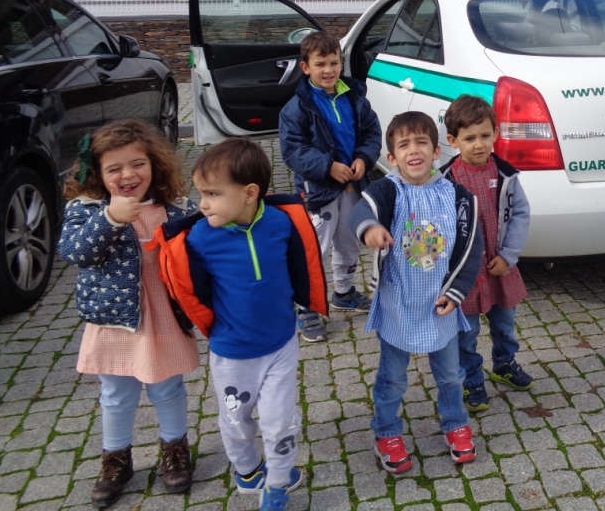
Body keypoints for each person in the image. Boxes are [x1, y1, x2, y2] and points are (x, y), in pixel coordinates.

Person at [157, 138, 327, 511]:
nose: (202, 204)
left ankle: (278, 483)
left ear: (250, 193)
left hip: (281, 345)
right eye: (201, 193)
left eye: (212, 194)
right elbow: (192, 288)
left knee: (280, 420)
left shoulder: (280, 223)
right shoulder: (200, 238)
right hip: (231, 352)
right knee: (236, 419)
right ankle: (247, 470)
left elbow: (298, 265)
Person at [57, 119, 198, 508]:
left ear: (154, 164)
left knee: (168, 388)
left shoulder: (174, 207)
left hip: (164, 316)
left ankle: (175, 448)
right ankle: (115, 460)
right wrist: (111, 219)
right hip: (115, 321)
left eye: (138, 164)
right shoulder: (87, 210)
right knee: (117, 394)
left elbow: (201, 249)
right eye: (114, 169)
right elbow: (74, 252)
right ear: (98, 174)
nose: (128, 175)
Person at [350, 111, 483, 474]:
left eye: (422, 142)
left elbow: (471, 249)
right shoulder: (387, 190)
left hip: (441, 304)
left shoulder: (457, 196)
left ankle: (455, 423)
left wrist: (457, 292)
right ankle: (386, 432)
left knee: (451, 375)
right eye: (404, 144)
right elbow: (359, 212)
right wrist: (369, 228)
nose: (414, 150)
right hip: (400, 304)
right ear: (391, 157)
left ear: (436, 151)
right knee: (392, 377)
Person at [279, 31, 382, 342]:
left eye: (334, 63)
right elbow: (293, 150)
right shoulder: (296, 109)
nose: (328, 70)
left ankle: (344, 292)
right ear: (305, 67)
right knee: (315, 247)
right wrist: (327, 167)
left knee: (349, 240)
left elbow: (371, 132)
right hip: (318, 192)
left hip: (352, 186)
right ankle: (306, 306)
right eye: (320, 64)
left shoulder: (354, 97)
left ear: (341, 62)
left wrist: (364, 157)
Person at [440, 95, 533, 412]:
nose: (478, 144)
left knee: (504, 324)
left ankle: (504, 364)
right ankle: (471, 379)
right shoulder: (446, 181)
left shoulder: (506, 175)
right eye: (469, 138)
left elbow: (520, 214)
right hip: (465, 277)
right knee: (466, 333)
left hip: (499, 267)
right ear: (453, 141)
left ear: (496, 133)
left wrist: (509, 256)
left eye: (484, 135)